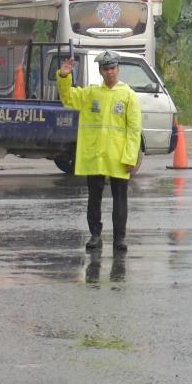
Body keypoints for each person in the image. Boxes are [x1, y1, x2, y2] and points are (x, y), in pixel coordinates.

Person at [57, 51, 142, 252]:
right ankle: (95, 235)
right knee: (94, 198)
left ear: (118, 69)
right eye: (106, 69)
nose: (110, 72)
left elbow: (134, 130)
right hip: (95, 156)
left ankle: (119, 238)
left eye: (112, 68)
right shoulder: (91, 93)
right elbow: (68, 98)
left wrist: (130, 157)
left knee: (120, 199)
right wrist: (64, 76)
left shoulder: (128, 95)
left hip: (118, 158)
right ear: (100, 71)